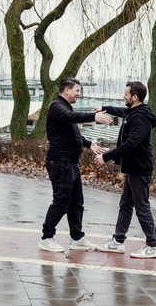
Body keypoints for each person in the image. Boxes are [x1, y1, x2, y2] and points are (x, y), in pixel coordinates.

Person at [39, 78, 112, 253]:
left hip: (70, 162)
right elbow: (72, 118)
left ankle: (77, 238)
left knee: (76, 202)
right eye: (77, 91)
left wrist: (89, 144)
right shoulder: (57, 107)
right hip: (59, 162)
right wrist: (94, 117)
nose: (79, 94)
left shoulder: (65, 108)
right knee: (62, 200)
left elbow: (72, 133)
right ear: (66, 90)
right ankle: (46, 238)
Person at [94, 81, 156, 259]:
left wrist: (106, 156)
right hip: (132, 168)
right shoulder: (133, 112)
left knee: (142, 207)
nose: (124, 96)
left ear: (135, 97)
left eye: (126, 93)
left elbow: (131, 144)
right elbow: (121, 111)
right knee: (125, 205)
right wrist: (104, 107)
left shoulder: (140, 117)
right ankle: (118, 241)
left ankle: (152, 246)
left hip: (140, 168)